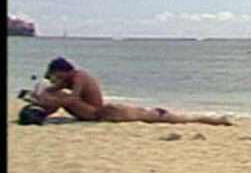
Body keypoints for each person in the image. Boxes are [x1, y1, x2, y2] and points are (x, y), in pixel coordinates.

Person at [31, 57, 232, 126]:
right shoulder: (67, 80)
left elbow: (72, 99)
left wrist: (49, 103)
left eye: (56, 75)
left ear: (64, 71)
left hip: (102, 113)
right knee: (158, 116)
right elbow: (52, 90)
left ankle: (213, 120)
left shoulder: (79, 77)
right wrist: (42, 100)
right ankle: (213, 119)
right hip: (96, 113)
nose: (56, 80)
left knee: (163, 117)